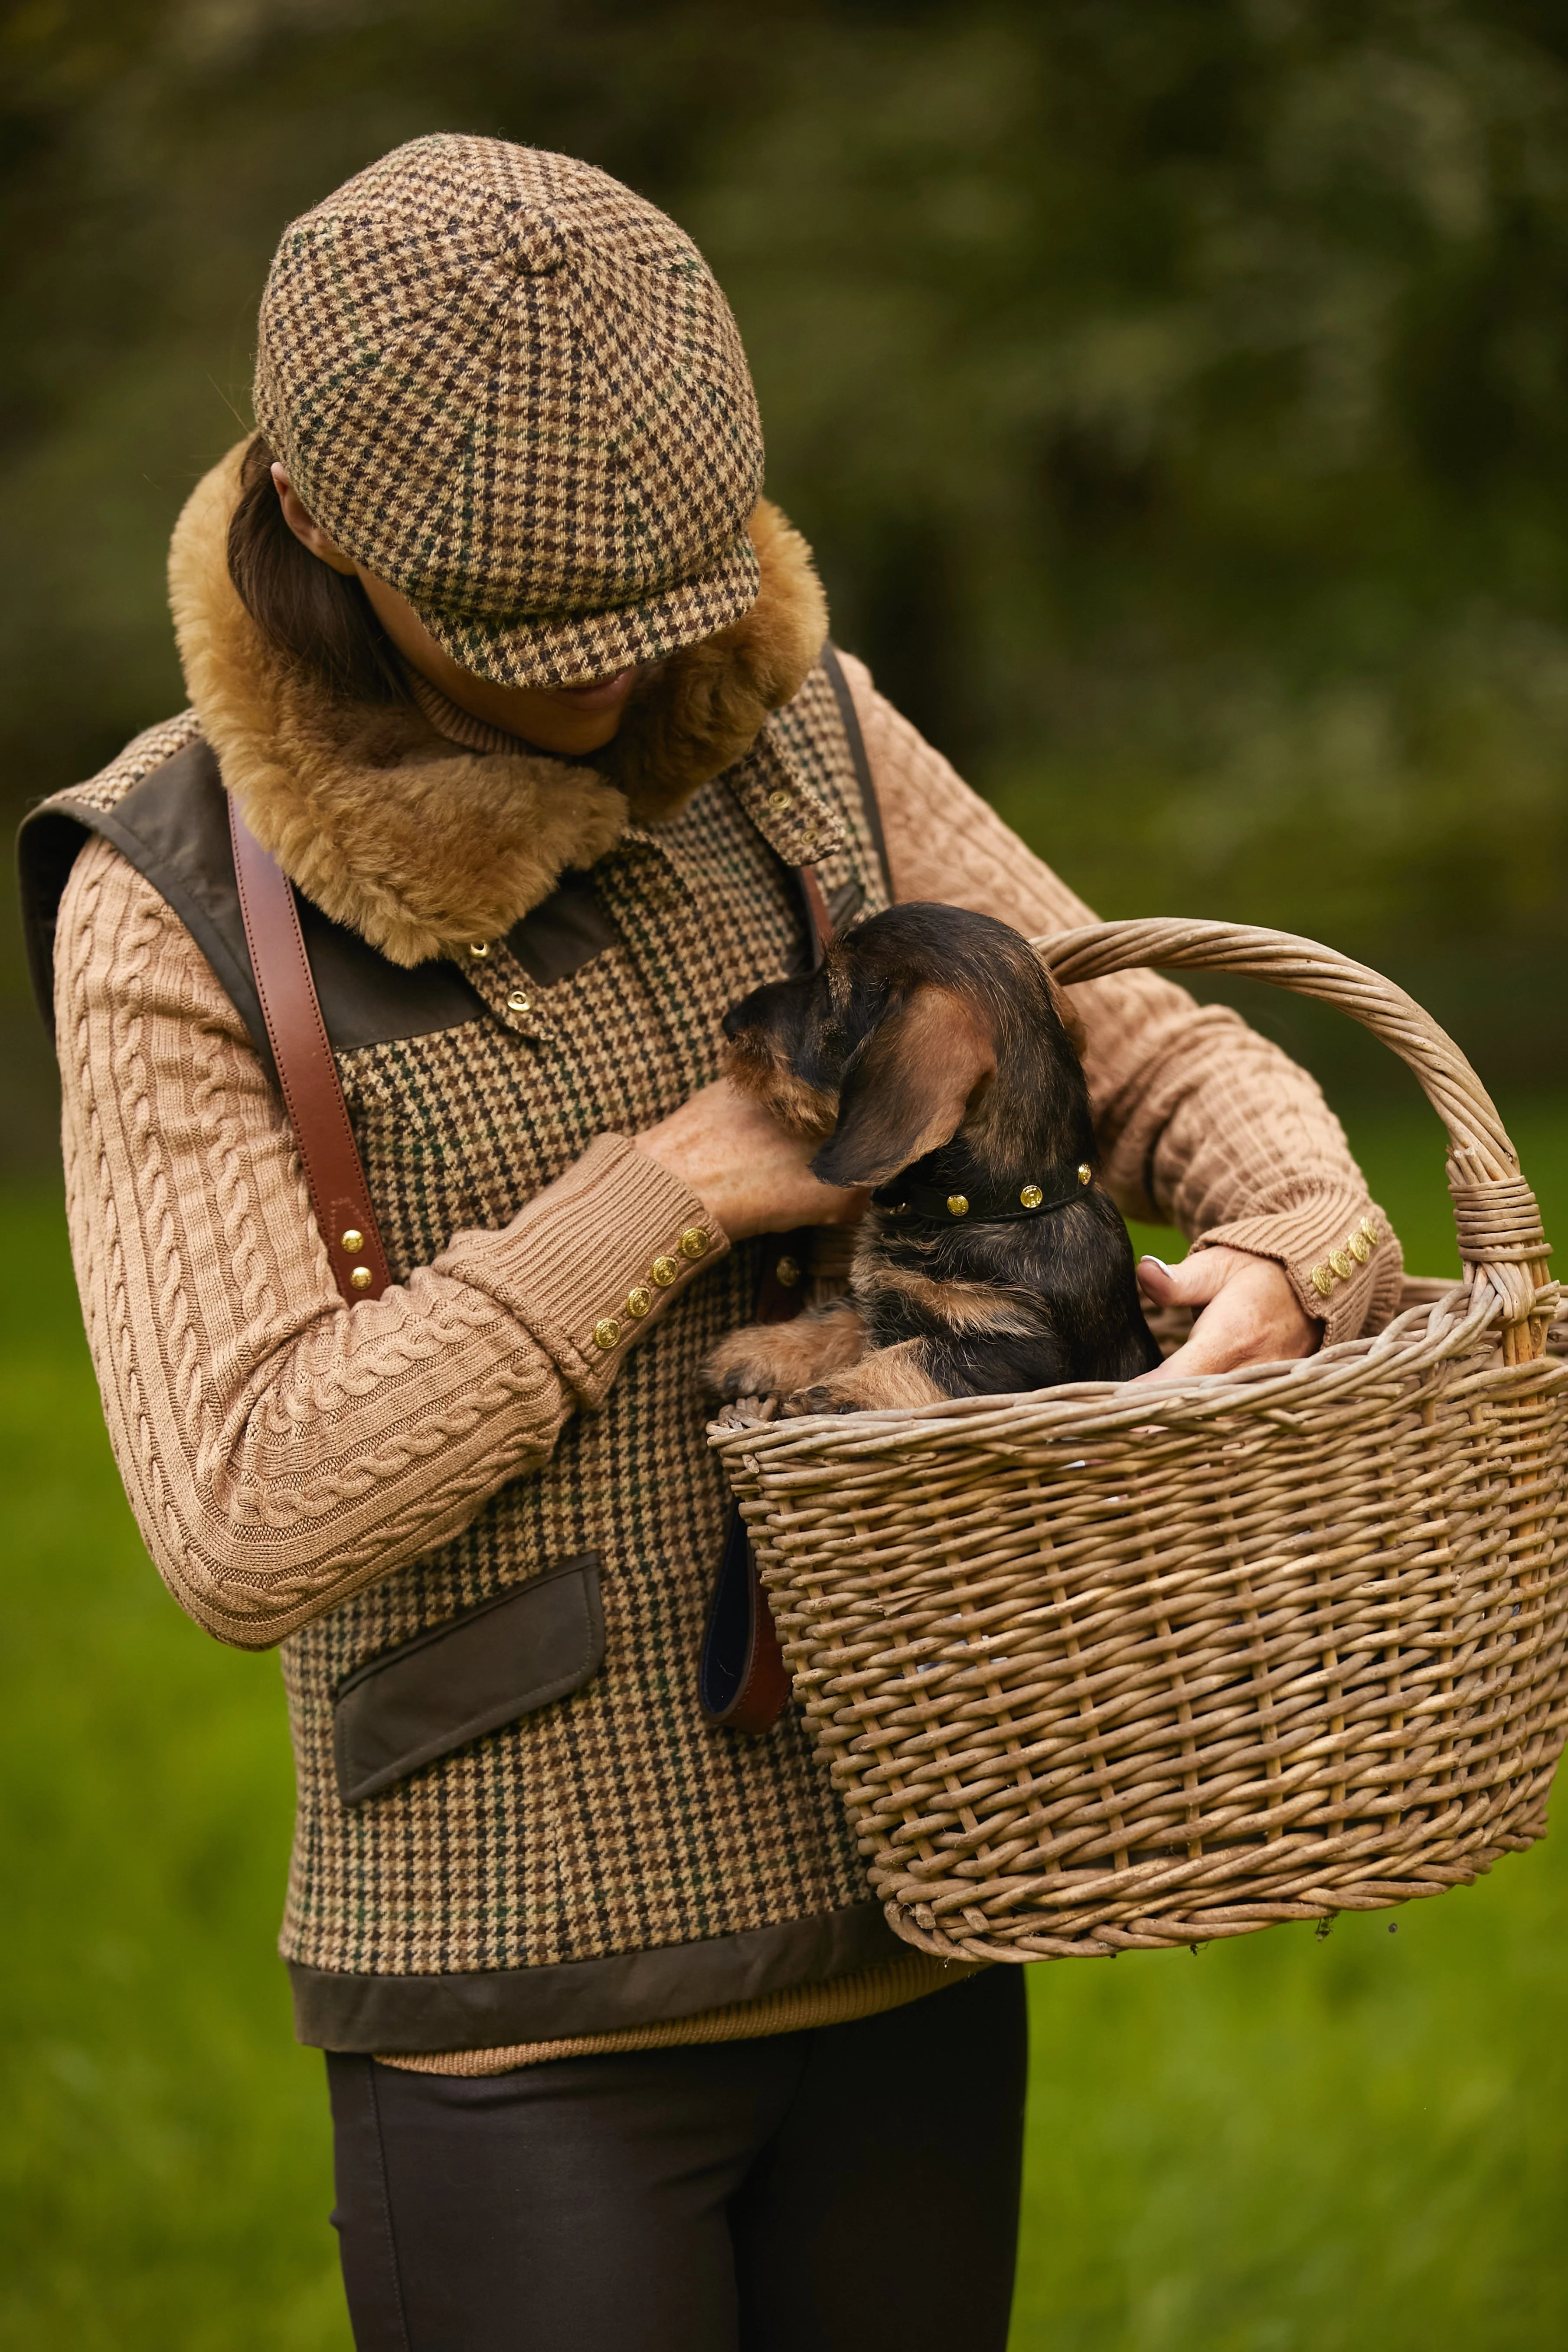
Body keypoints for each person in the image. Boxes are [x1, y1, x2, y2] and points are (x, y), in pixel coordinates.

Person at [18, 135, 1401, 2349]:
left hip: (916, 1892)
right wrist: (666, 1193)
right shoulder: (170, 902)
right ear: (315, 522)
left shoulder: (795, 726)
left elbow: (1134, 1044)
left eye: (658, 621)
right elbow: (237, 1515)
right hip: (514, 2006)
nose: (619, 688)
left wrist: (1294, 1251)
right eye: (541, 641)